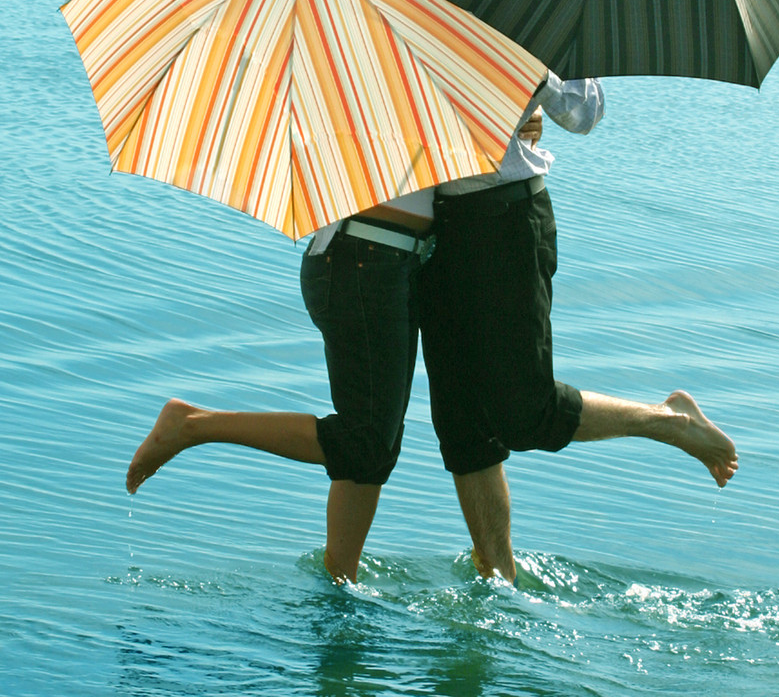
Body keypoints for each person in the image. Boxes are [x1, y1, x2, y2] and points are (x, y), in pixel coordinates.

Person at [126, 114, 544, 584]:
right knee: (365, 440)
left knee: (375, 444)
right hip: (362, 261)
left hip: (387, 261)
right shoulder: (378, 77)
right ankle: (193, 425)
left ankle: (340, 579)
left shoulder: (413, 77)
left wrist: (510, 114)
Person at [419, 71, 739, 584]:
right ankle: (499, 577)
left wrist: (523, 81)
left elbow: (585, 111)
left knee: (525, 412)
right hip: (430, 231)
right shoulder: (393, 10)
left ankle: (669, 420)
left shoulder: (510, 11)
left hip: (506, 219)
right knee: (460, 426)